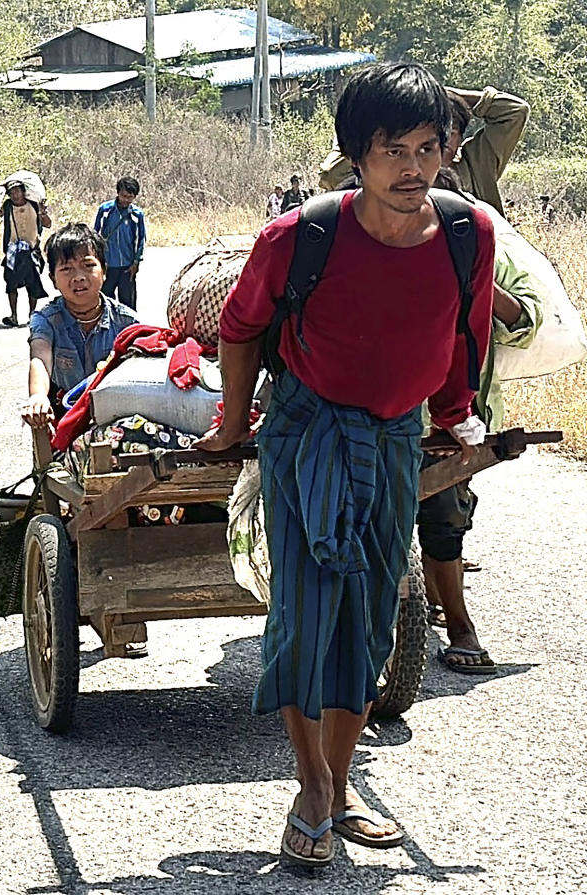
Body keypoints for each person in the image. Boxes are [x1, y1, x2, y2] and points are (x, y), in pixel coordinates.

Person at [196, 63, 495, 867]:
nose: (412, 168)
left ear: (449, 151)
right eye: (391, 148)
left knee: (369, 619)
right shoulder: (301, 237)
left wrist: (454, 413)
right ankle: (313, 787)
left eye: (428, 148)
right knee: (303, 610)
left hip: (396, 438)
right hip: (305, 433)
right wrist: (230, 426)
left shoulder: (470, 233)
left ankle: (341, 773)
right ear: (355, 156)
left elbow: (465, 333)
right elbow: (238, 327)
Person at [419, 168, 544, 673]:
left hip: (456, 420)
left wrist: (475, 276)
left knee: (447, 519)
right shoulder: (379, 240)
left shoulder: (486, 247)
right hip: (383, 413)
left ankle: (458, 621)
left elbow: (525, 327)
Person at [320, 85, 529, 215]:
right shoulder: (393, 173)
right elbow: (333, 174)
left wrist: (443, 93)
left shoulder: (475, 166)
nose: (443, 141)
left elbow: (515, 112)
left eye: (451, 132)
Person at [21, 223, 138, 431]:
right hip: (62, 418)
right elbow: (40, 356)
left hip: (115, 419)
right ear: (53, 279)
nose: (78, 277)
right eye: (66, 269)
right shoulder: (46, 319)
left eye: (88, 265)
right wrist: (38, 396)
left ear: (104, 271)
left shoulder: (127, 322)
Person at [0, 181, 50, 327]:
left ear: (23, 191)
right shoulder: (7, 206)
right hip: (13, 250)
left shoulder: (34, 205)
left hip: (32, 250)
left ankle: (32, 315)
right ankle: (13, 315)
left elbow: (47, 224)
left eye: (17, 191)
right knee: (11, 283)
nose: (15, 195)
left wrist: (43, 212)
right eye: (12, 192)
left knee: (32, 283)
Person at [93, 176, 146, 311]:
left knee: (128, 305)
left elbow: (141, 239)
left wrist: (136, 263)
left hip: (127, 267)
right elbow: (95, 235)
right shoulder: (105, 211)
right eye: (124, 196)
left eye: (130, 197)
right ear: (118, 193)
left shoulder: (137, 215)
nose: (126, 200)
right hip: (107, 265)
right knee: (105, 303)